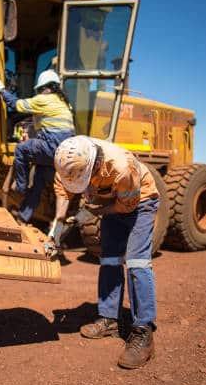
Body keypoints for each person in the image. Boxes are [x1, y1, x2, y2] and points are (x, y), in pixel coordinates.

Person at [52, 135, 160, 369]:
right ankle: (109, 319)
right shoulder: (69, 157)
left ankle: (143, 331)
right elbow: (62, 188)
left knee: (136, 262)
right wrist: (58, 226)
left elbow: (126, 206)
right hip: (110, 200)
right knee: (109, 260)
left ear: (96, 166)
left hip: (139, 202)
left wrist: (94, 212)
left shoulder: (122, 168)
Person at [0, 70, 75, 225]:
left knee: (21, 149)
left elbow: (17, 105)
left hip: (53, 146)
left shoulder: (44, 99)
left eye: (39, 89)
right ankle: (22, 217)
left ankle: (21, 188)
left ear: (45, 88)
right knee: (38, 184)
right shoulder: (64, 102)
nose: (39, 92)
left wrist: (1, 90)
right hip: (66, 152)